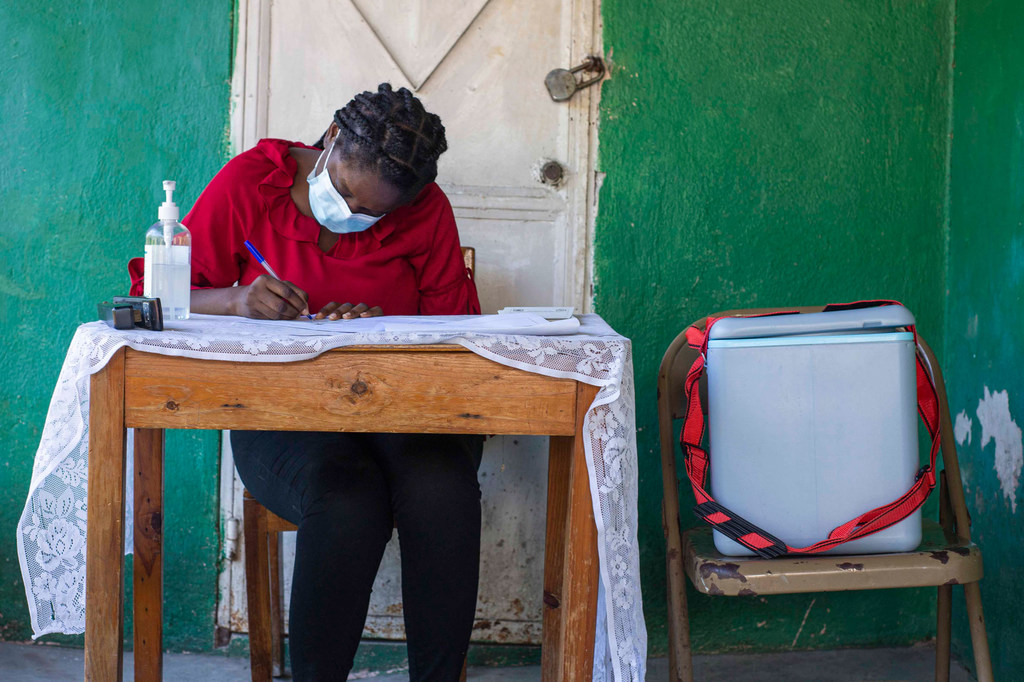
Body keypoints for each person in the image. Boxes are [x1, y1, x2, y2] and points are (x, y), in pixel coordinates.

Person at [129, 83, 483, 681]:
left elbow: (459, 332)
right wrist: (235, 299)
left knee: (444, 488)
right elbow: (154, 296)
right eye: (344, 190)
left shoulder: (426, 210)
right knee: (346, 498)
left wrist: (388, 325)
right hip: (283, 418)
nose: (350, 212)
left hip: (403, 412)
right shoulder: (251, 183)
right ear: (332, 139)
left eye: (373, 212)